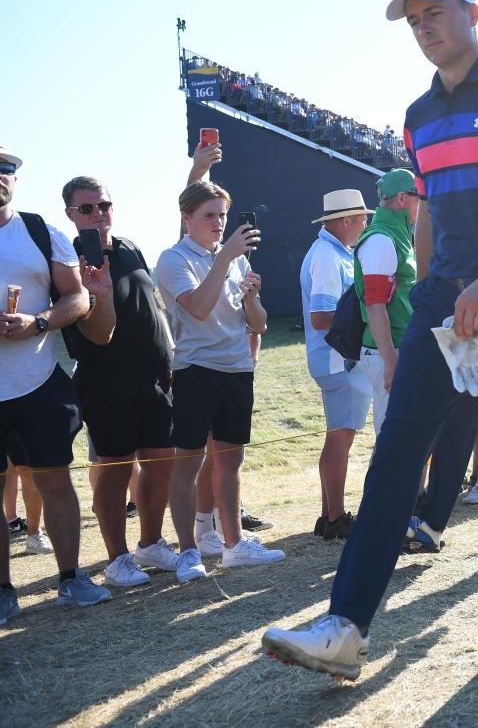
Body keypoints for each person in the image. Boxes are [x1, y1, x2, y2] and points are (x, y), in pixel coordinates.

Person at [262, 0, 478, 680]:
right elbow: (432, 210)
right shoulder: (417, 115)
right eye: (413, 21)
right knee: (398, 450)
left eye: (434, 13)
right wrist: (439, 291)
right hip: (448, 300)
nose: (424, 28)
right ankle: (347, 626)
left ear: (472, 11)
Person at [0, 142, 111, 622]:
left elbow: (78, 298)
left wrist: (38, 323)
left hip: (40, 382)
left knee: (55, 482)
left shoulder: (39, 231)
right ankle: (4, 591)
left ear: (15, 179)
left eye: (5, 169)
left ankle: (71, 579)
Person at [155, 180, 284, 583]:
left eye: (223, 215)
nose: (219, 222)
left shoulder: (235, 260)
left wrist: (249, 297)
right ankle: (189, 551)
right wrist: (225, 259)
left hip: (237, 369)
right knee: (187, 463)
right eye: (209, 215)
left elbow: (258, 323)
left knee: (230, 461)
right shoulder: (173, 258)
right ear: (186, 218)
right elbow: (195, 308)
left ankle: (233, 545)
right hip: (195, 370)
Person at [60, 176, 180, 587]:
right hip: (104, 381)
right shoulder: (68, 260)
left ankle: (151, 543)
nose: (99, 214)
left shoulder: (129, 248)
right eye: (87, 208)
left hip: (154, 378)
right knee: (113, 471)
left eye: (104, 205)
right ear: (71, 214)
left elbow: (153, 310)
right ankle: (117, 560)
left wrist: (169, 360)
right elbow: (89, 327)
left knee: (161, 462)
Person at [299, 189, 374, 540]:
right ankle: (335, 518)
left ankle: (330, 513)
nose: (365, 223)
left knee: (339, 437)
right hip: (338, 358)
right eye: (362, 218)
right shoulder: (329, 257)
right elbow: (320, 317)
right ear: (346, 220)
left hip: (337, 358)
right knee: (340, 438)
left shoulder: (332, 252)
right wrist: (367, 319)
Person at [355, 170, 419, 432]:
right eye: (420, 197)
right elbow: (375, 305)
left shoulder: (395, 235)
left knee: (402, 440)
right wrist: (391, 362)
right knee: (393, 440)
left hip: (396, 349)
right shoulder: (381, 239)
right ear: (403, 198)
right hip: (389, 353)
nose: (424, 203)